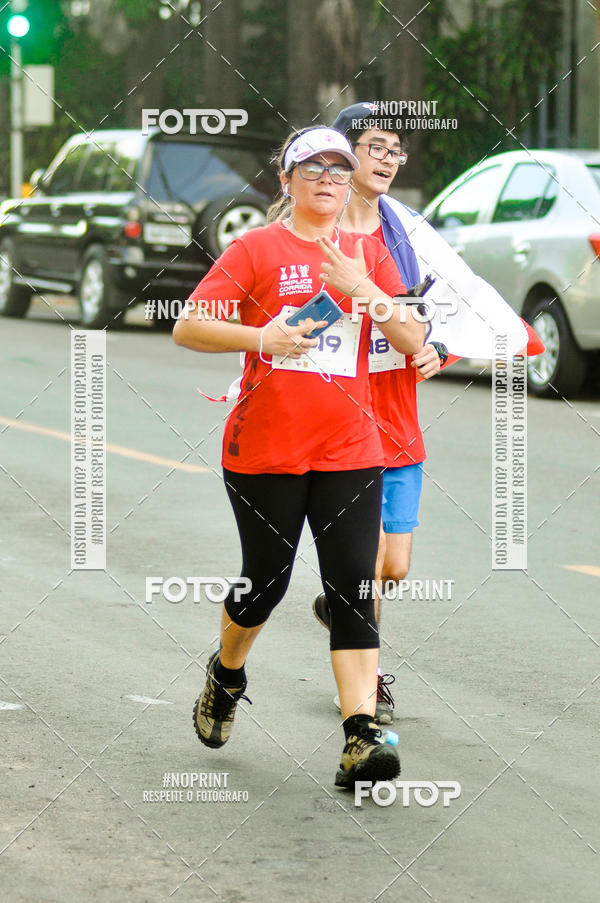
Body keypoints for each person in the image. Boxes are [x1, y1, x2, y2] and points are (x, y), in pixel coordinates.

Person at [173, 126, 425, 787]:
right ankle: (226, 672)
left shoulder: (368, 250)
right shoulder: (256, 247)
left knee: (354, 588)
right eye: (311, 169)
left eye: (339, 170)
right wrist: (262, 335)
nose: (327, 180)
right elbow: (189, 325)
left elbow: (413, 332)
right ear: (285, 181)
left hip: (351, 446)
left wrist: (363, 287)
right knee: (267, 581)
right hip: (265, 449)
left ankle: (362, 737)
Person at [311, 102, 529, 725]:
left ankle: (343, 612)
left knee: (396, 566)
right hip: (343, 422)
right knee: (367, 564)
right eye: (375, 146)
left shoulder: (404, 235)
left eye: (395, 150)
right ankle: (365, 679)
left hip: (398, 418)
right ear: (344, 153)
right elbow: (300, 319)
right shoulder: (320, 235)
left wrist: (431, 347)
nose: (387, 159)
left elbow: (438, 304)